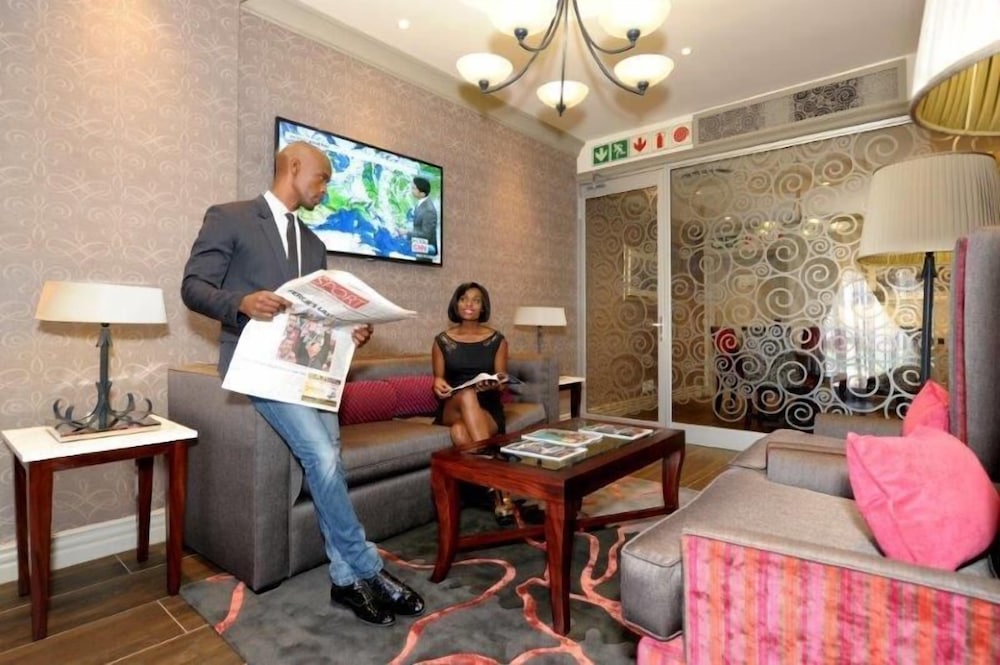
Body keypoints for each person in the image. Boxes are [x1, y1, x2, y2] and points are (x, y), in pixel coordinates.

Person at [181, 141, 424, 627]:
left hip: (310, 369)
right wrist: (242, 302)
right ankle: (368, 567)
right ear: (294, 167)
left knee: (329, 458)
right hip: (259, 366)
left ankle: (344, 579)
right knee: (323, 456)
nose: (326, 189)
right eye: (323, 177)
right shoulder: (230, 217)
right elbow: (193, 287)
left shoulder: (314, 244)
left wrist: (351, 331)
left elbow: (319, 314)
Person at [432, 282, 508, 449]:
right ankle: (492, 457)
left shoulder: (497, 340)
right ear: (456, 304)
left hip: (488, 406)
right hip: (452, 406)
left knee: (459, 432)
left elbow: (502, 382)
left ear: (483, 307)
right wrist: (438, 383)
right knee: (467, 393)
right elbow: (439, 379)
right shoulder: (441, 341)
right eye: (463, 299)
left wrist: (493, 384)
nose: (469, 304)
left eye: (476, 300)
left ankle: (486, 462)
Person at [409, 176, 438, 255]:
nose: (411, 190)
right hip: (418, 242)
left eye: (414, 188)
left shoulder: (429, 210)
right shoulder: (421, 203)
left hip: (427, 248)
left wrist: (406, 233)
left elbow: (426, 235)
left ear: (422, 193)